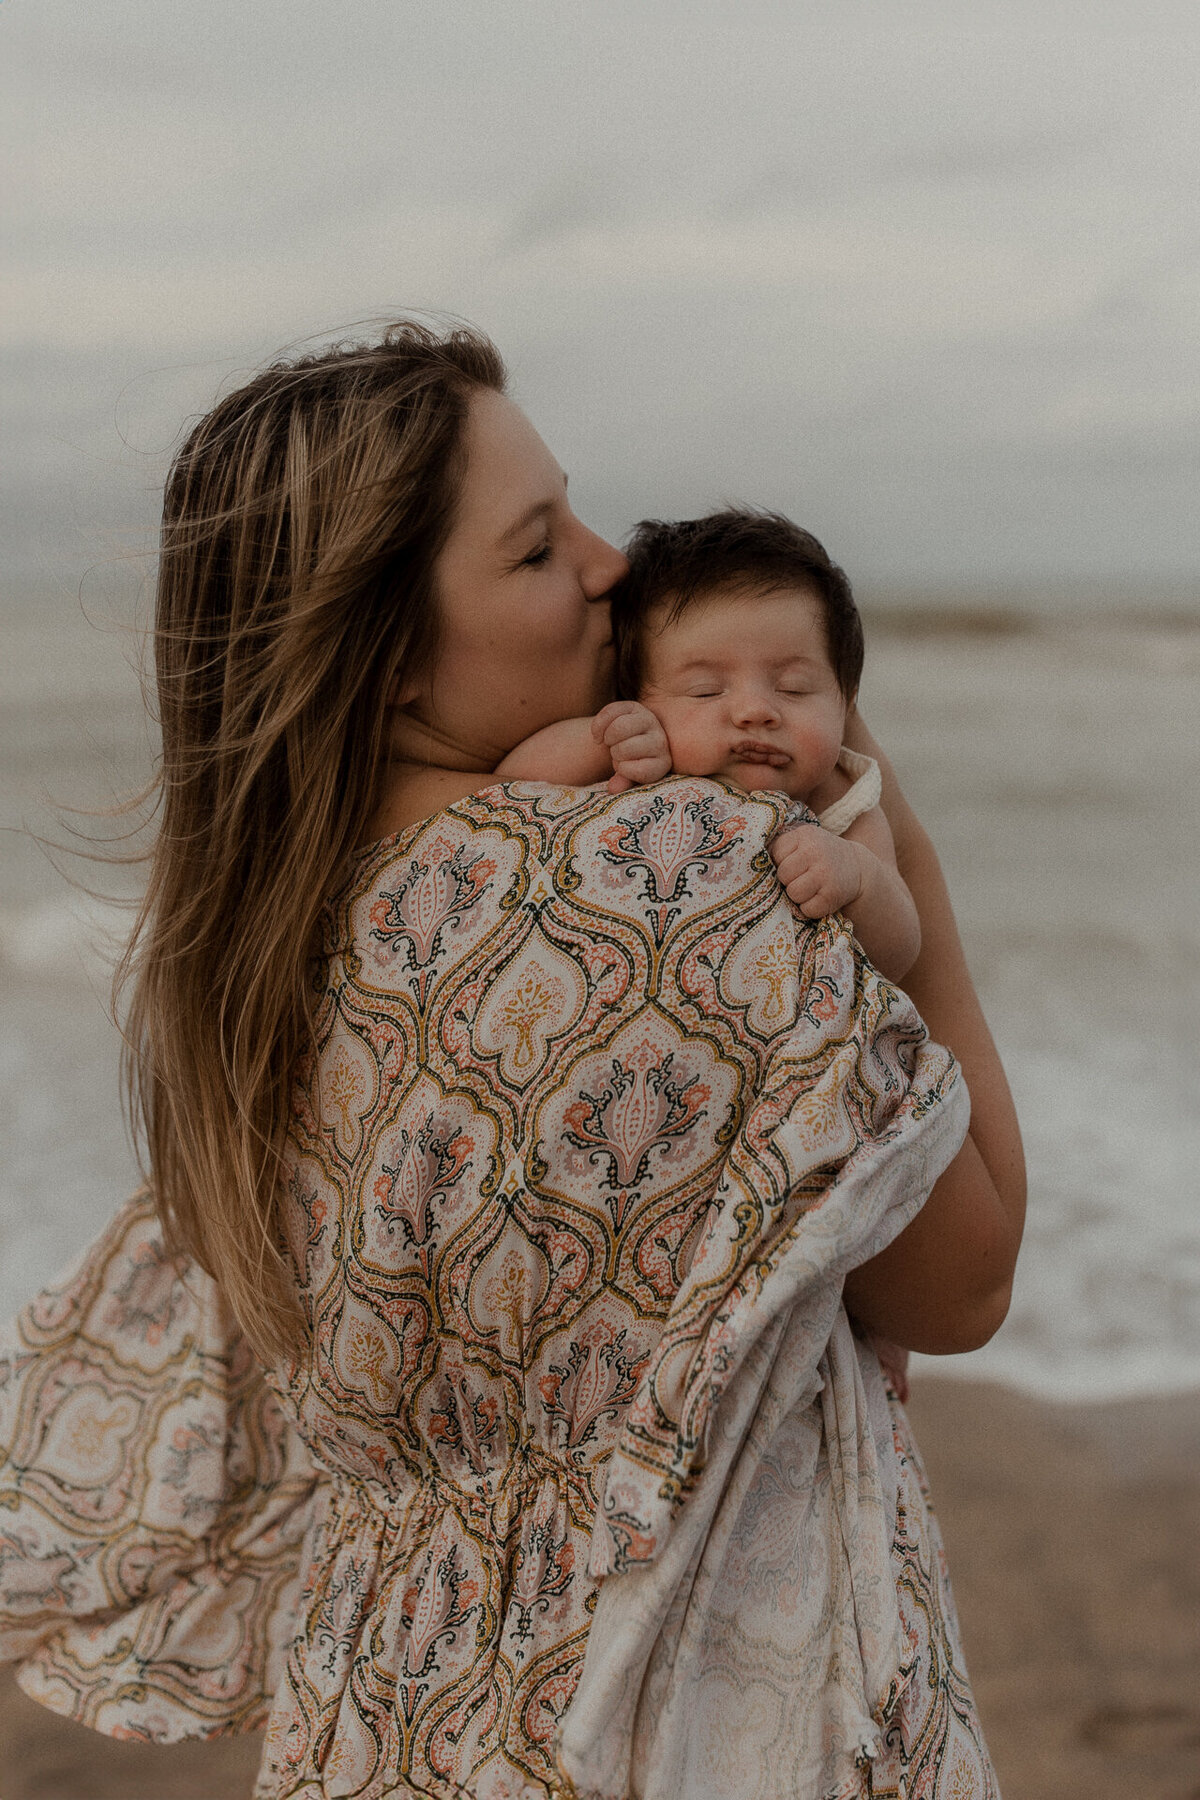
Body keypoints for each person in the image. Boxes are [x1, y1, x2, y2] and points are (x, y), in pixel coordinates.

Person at [0, 321, 1025, 1800]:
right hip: (694, 1699)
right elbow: (965, 1280)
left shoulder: (247, 975)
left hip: (380, 1714)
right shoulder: (679, 881)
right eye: (540, 548)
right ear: (390, 654)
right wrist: (898, 850)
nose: (614, 564)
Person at [494, 507, 922, 986]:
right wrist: (605, 742)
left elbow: (900, 954)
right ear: (635, 696)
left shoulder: (844, 806)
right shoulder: (644, 755)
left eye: (795, 688)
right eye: (705, 691)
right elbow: (511, 786)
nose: (755, 711)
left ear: (846, 700)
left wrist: (858, 878)